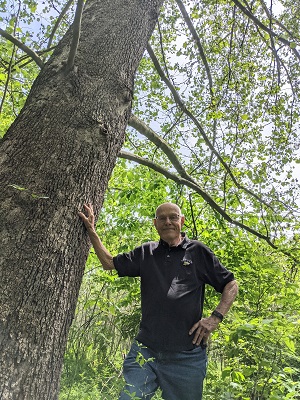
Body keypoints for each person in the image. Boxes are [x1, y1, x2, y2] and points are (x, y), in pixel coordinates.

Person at [79, 202, 238, 400]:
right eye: (162, 219)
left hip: (186, 357)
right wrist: (91, 230)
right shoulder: (147, 253)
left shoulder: (197, 251)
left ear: (181, 221)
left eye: (173, 217)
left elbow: (231, 284)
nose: (168, 222)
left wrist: (214, 318)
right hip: (146, 352)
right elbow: (109, 263)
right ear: (155, 224)